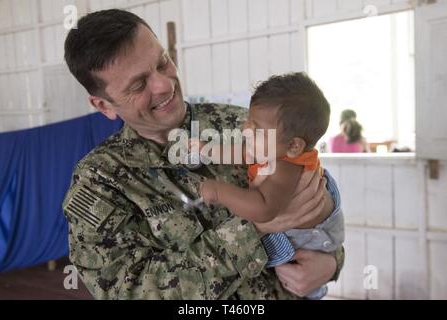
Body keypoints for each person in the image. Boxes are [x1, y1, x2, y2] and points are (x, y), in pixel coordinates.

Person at [61, 9, 344, 299]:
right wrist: (253, 227)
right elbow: (129, 292)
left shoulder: (242, 125)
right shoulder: (99, 182)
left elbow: (318, 209)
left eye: (163, 62)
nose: (164, 84)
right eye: (139, 84)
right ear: (104, 105)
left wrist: (331, 262)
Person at [195, 73, 344, 299]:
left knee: (289, 273)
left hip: (311, 243)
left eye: (256, 129)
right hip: (303, 234)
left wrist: (218, 191)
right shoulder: (273, 147)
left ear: (294, 146)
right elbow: (241, 153)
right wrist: (207, 149)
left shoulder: (286, 168)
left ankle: (315, 292)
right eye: (248, 120)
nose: (245, 130)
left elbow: (264, 208)